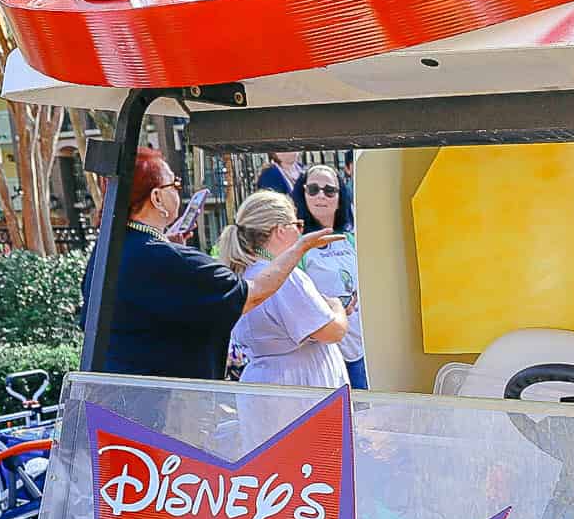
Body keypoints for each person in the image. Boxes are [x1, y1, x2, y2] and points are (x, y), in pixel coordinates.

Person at [85, 148, 327, 379]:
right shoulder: (167, 261)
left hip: (114, 397)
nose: (179, 191)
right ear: (157, 198)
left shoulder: (109, 250)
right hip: (160, 406)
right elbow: (253, 293)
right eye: (174, 184)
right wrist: (299, 248)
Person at [218, 190, 349, 389]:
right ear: (280, 229)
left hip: (267, 385)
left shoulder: (244, 270)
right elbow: (332, 332)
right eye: (297, 225)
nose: (300, 232)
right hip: (299, 390)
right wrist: (336, 307)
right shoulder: (283, 276)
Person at [297, 163, 369, 388]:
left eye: (330, 190)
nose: (321, 196)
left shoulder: (351, 239)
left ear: (340, 197)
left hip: (359, 347)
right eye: (313, 189)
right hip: (322, 351)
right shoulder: (297, 245)